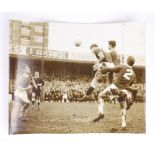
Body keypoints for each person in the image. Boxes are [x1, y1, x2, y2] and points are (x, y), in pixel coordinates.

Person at [93, 56, 136, 129]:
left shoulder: (123, 67)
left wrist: (100, 67)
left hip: (115, 87)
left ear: (127, 60)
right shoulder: (134, 74)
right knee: (123, 107)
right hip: (124, 91)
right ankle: (123, 124)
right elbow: (130, 84)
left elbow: (109, 69)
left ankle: (101, 113)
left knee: (100, 96)